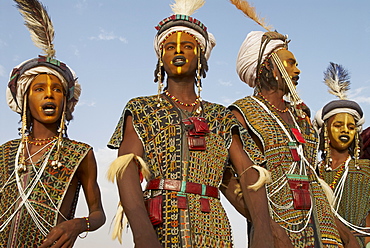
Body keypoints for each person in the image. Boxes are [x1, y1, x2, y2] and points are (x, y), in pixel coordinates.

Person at [106, 0, 286, 247]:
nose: (178, 51)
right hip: (160, 227)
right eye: (170, 47)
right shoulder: (140, 109)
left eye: (187, 46)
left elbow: (247, 174)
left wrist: (264, 231)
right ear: (161, 57)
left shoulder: (221, 117)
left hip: (213, 228)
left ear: (200, 55)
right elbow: (125, 170)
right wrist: (142, 232)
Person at [0, 0, 105, 247]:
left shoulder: (80, 153)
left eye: (57, 89)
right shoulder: (6, 152)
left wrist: (78, 225)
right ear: (25, 99)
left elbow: (98, 213)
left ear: (65, 101)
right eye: (39, 89)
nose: (49, 95)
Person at [314, 62, 370, 247]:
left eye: (351, 126)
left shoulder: (366, 170)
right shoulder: (313, 172)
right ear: (326, 131)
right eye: (338, 125)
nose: (345, 130)